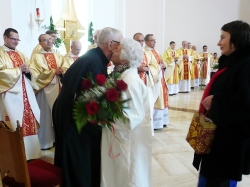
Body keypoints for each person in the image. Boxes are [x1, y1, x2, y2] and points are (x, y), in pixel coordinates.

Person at [52, 27, 123, 187]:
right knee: (78, 155)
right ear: (110, 44)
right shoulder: (94, 62)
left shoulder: (95, 57)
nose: (121, 47)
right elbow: (87, 103)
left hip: (67, 109)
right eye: (120, 43)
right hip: (72, 115)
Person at [194, 20, 250, 187]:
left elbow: (245, 104)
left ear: (237, 39)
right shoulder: (232, 61)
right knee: (211, 178)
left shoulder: (246, 64)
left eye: (223, 37)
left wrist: (216, 101)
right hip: (217, 138)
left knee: (220, 180)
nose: (218, 43)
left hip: (229, 144)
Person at [101, 38, 152, 187]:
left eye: (117, 50)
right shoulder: (121, 76)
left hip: (125, 141)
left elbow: (131, 118)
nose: (113, 50)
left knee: (127, 176)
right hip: (118, 138)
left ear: (125, 60)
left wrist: (103, 116)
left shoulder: (129, 81)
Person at [0, 28, 41, 160]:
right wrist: (18, 70)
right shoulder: (1, 53)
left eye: (18, 39)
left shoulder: (22, 54)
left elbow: (32, 72)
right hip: (10, 94)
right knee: (13, 121)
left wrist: (28, 71)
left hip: (26, 94)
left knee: (29, 120)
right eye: (13, 39)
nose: (16, 42)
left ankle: (31, 153)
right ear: (5, 37)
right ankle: (14, 155)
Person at [29, 34, 67, 150]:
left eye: (50, 39)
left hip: (58, 88)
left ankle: (57, 140)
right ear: (40, 43)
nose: (49, 42)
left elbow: (65, 68)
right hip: (44, 90)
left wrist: (61, 71)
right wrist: (52, 72)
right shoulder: (36, 57)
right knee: (45, 116)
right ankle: (45, 142)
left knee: (58, 114)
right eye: (45, 40)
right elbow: (34, 74)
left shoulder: (58, 55)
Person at [134, 32, 158, 135]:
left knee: (147, 108)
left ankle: (147, 131)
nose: (140, 43)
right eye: (138, 40)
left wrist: (148, 68)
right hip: (134, 84)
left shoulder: (147, 53)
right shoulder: (129, 52)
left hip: (146, 83)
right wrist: (137, 68)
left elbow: (154, 65)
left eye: (142, 40)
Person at [145, 34, 169, 129]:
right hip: (154, 81)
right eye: (152, 40)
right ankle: (155, 123)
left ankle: (162, 121)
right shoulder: (145, 52)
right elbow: (147, 67)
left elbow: (162, 61)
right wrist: (159, 67)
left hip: (161, 78)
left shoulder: (156, 51)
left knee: (162, 97)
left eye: (155, 40)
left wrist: (164, 64)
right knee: (156, 98)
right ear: (147, 41)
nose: (155, 42)